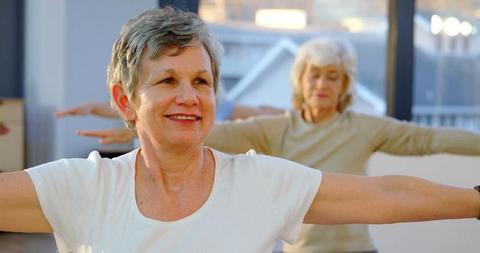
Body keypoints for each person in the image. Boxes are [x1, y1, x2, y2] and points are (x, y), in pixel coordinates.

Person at [2, 7, 479, 253]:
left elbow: (385, 195)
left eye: (202, 81)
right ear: (126, 100)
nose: (189, 96)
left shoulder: (259, 183)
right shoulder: (82, 187)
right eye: (168, 80)